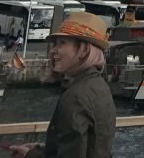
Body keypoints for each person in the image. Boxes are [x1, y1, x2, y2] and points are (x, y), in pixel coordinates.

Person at [6, 12, 115, 158]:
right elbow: (88, 146)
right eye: (55, 43)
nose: (53, 50)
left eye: (62, 43)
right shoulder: (100, 86)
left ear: (84, 50)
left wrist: (31, 155)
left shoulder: (75, 97)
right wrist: (43, 149)